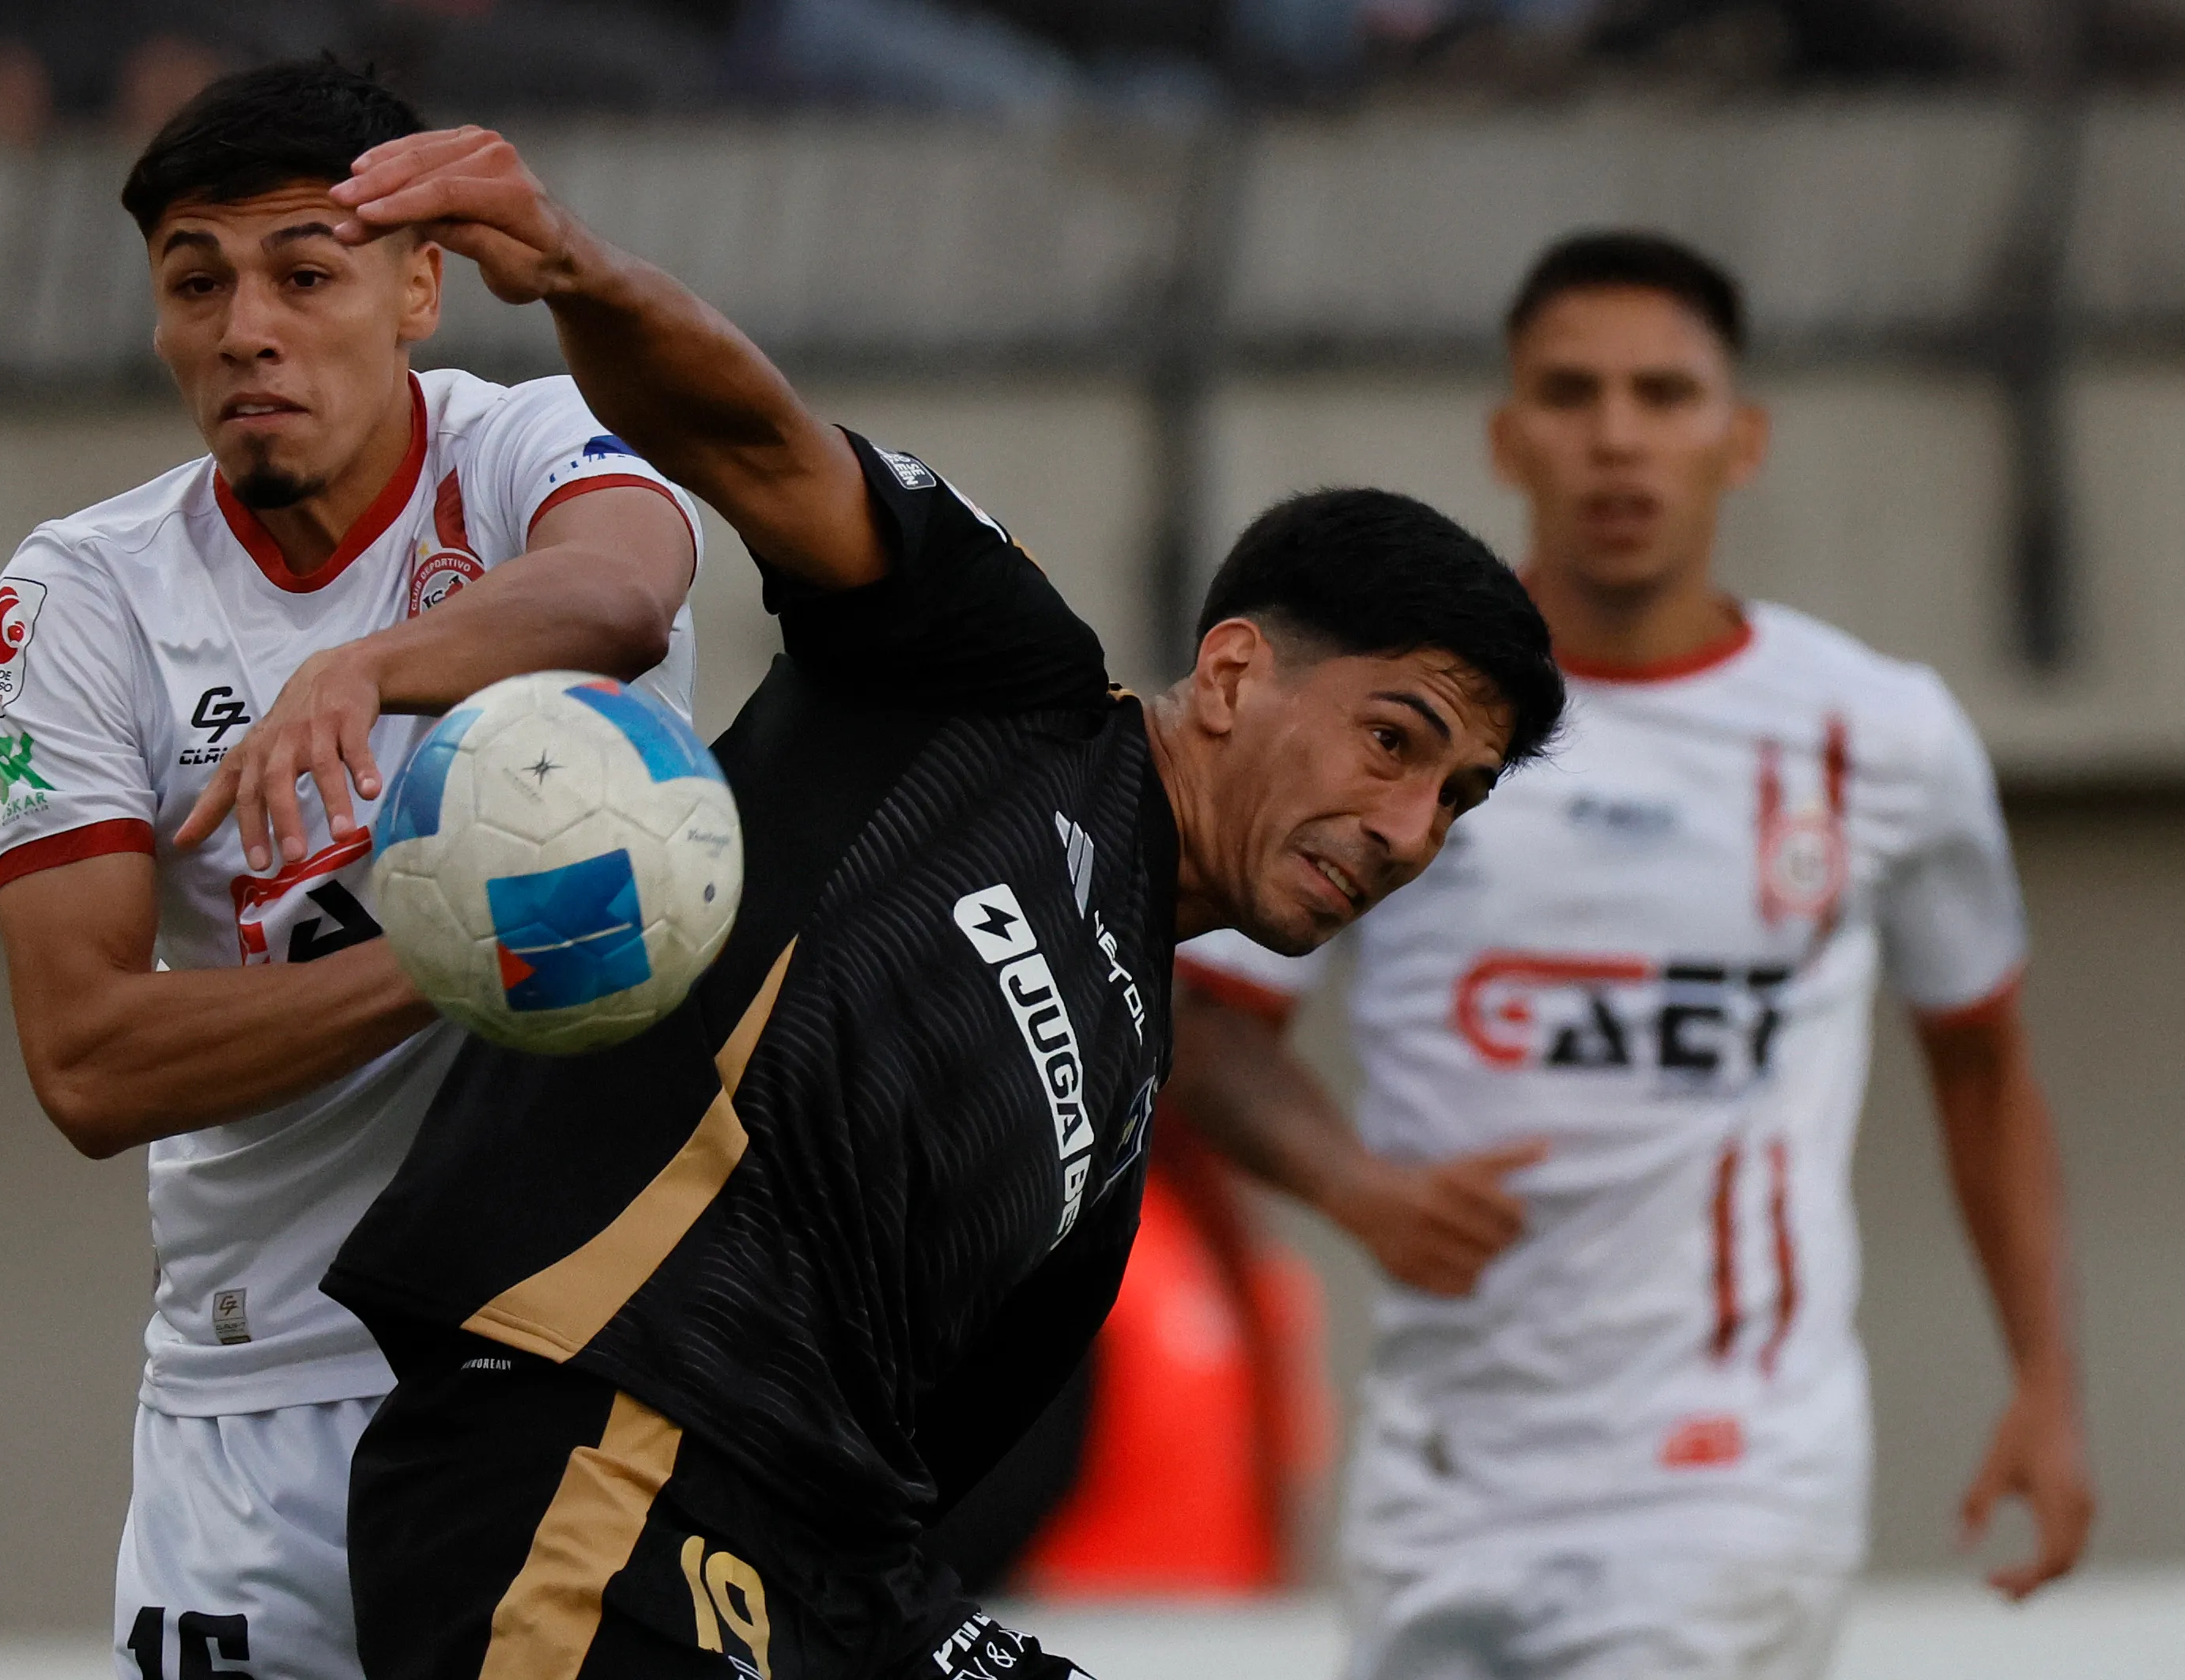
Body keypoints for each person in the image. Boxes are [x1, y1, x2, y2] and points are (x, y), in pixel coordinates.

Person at [308, 126, 1566, 1680]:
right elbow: (759, 443)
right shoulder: (1001, 684)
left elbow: (883, 1495)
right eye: (1394, 743)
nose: (1404, 827)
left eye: (1454, 800)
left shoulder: (1124, 1107)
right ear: (1233, 670)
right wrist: (571, 264)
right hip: (587, 1459)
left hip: (787, 1584)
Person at [1172, 231, 2096, 1679]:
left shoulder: (1881, 734)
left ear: (1742, 438)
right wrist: (1362, 1192)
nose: (1616, 438)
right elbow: (1214, 1019)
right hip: (1444, 1470)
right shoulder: (1396, 733)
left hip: (1728, 1479)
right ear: (1506, 434)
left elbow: (1982, 1067)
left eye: (1664, 395)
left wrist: (2046, 1384)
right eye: (1572, 392)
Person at [0, 63, 703, 1680]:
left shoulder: (533, 444)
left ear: (417, 289)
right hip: (255, 1405)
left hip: (584, 1364)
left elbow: (623, 597)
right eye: (197, 282)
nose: (248, 327)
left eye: (305, 274)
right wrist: (454, 955)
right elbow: (88, 1061)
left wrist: (369, 667)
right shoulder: (85, 599)